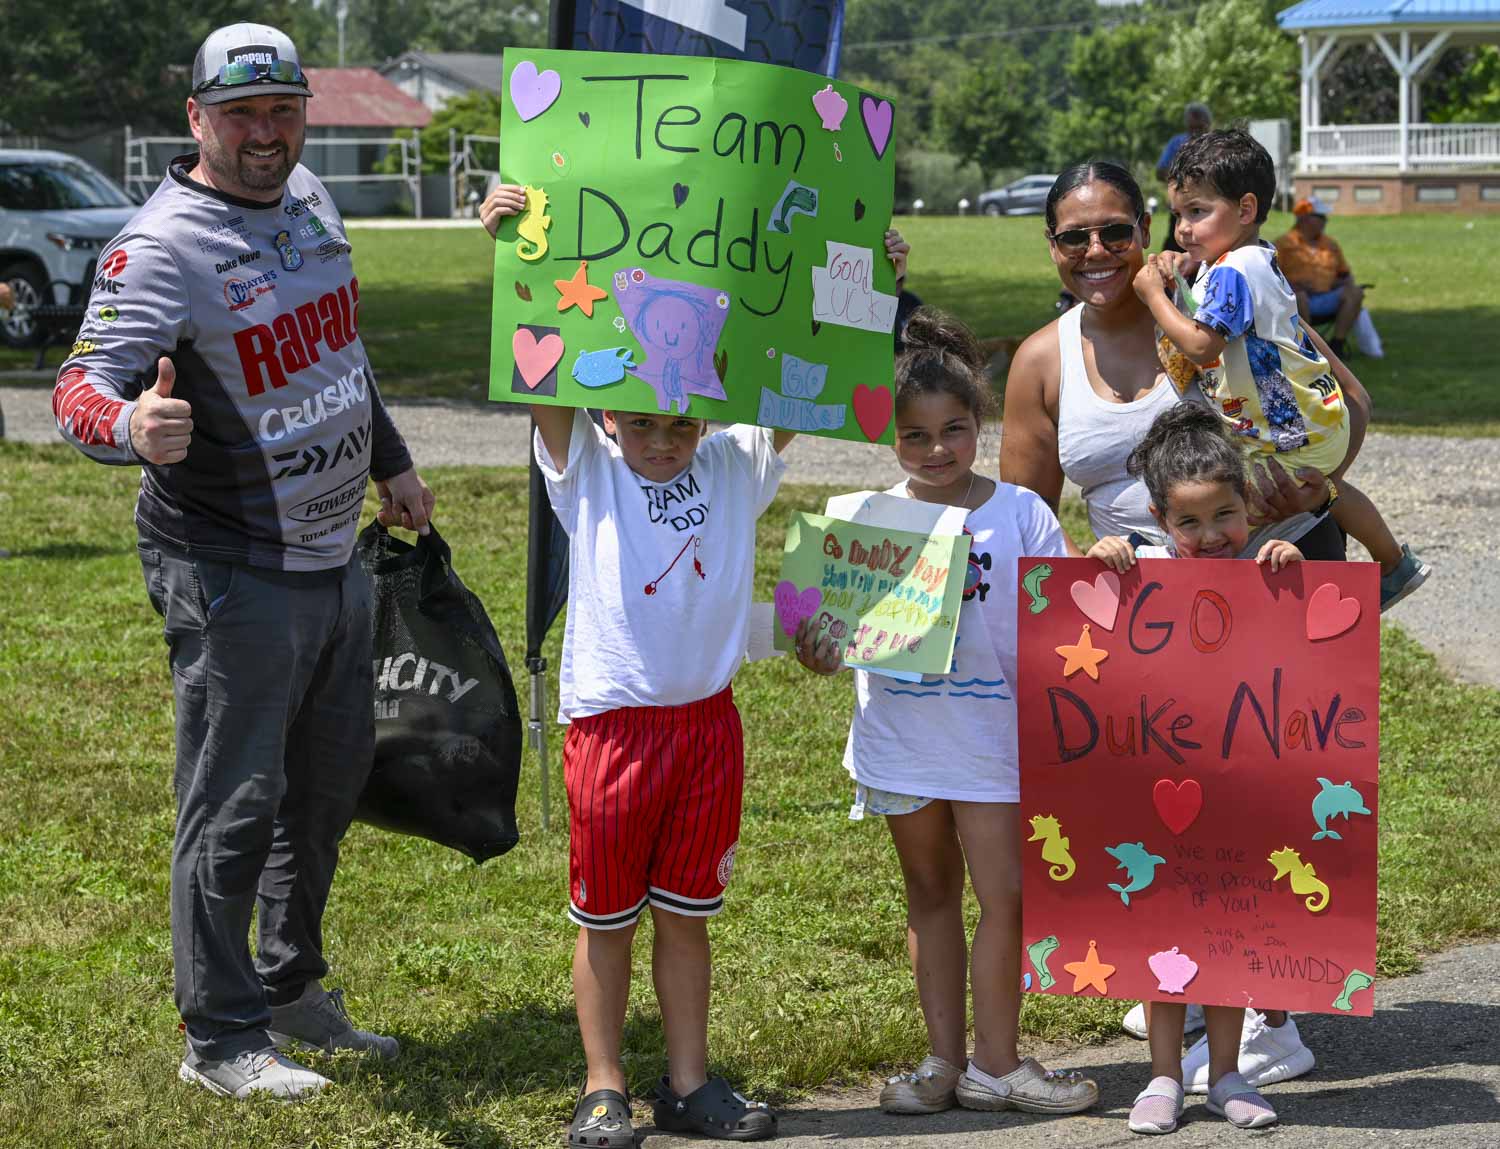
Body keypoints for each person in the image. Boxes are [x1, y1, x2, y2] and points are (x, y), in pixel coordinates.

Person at [51, 22, 433, 1100]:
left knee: (323, 782)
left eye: (282, 110)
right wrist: (131, 426)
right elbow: (76, 388)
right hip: (229, 562)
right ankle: (219, 1037)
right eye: (240, 114)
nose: (265, 134)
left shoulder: (312, 198)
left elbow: (340, 348)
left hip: (333, 552)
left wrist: (392, 459)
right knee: (233, 798)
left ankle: (289, 986)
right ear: (196, 120)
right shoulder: (160, 246)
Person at [493, 181, 909, 1143]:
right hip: (612, 729)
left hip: (707, 730)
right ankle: (604, 1086)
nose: (663, 440)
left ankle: (688, 1084)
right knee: (606, 921)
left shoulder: (735, 462)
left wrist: (870, 283)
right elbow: (536, 354)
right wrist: (519, 248)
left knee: (687, 914)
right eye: (641, 422)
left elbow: (814, 365)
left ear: (711, 415)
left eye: (682, 423)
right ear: (607, 419)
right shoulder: (584, 473)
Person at [1000, 159, 1333, 1088]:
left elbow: (1333, 406)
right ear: (1053, 248)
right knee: (1156, 815)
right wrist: (1082, 584)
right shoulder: (1041, 359)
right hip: (1136, 625)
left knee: (1257, 802)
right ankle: (1180, 972)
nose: (1097, 251)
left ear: (1147, 230)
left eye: (1116, 230)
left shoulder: (1214, 308)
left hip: (1251, 596)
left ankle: (1266, 1015)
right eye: (1075, 236)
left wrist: (1299, 494)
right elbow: (1026, 522)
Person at [793, 309, 1098, 1120]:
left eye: (954, 430)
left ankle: (997, 1064)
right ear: (891, 439)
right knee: (929, 894)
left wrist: (1102, 566)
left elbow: (1066, 621)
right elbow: (822, 634)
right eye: (916, 436)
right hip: (901, 741)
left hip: (993, 741)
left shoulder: (1023, 514)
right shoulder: (861, 519)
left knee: (1006, 896)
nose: (936, 450)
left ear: (979, 425)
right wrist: (816, 646)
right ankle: (942, 1060)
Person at [1087, 404, 1297, 1133]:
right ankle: (1164, 1076)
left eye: (1226, 516)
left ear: (1250, 504)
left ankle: (1229, 1072)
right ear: (1158, 518)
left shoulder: (1266, 573)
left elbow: (1303, 657)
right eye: (1190, 523)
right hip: (1154, 791)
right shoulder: (1139, 574)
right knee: (1164, 925)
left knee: (1232, 925)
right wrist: (1103, 560)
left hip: (1240, 791)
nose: (1212, 536)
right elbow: (1087, 628)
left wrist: (1289, 571)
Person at [1142, 128, 1428, 611]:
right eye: (1178, 214)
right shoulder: (1241, 260)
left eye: (1197, 212)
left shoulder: (1237, 269)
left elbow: (1198, 344)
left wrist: (1152, 296)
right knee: (1313, 493)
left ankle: (1381, 570)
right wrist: (1180, 279)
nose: (1184, 228)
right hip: (1299, 415)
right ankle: (1389, 561)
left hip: (1284, 427)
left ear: (1246, 210)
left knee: (1237, 508)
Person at [1275, 197, 1382, 359]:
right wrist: (1293, 285)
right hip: (1296, 300)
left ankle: (1337, 345)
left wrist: (1339, 283)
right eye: (1321, 217)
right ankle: (1309, 346)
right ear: (1304, 218)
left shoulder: (1330, 244)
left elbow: (1345, 275)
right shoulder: (1283, 244)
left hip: (1326, 297)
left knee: (1354, 293)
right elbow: (1271, 278)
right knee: (1299, 296)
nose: (1325, 221)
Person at [1156, 103, 1212, 253]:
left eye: (1199, 128)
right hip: (1181, 203)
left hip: (1208, 203)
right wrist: (1182, 177)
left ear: (1207, 125)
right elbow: (1160, 171)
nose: (1195, 133)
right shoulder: (1177, 143)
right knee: (1177, 244)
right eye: (1191, 128)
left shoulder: (1215, 144)